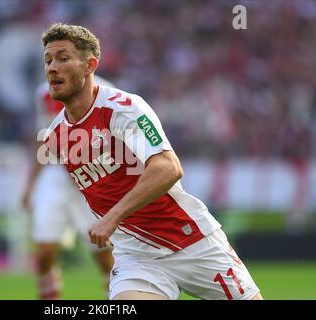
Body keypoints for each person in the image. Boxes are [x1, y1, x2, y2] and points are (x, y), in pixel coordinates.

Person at [40, 23, 263, 300]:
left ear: (90, 65)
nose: (52, 68)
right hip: (136, 258)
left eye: (63, 58)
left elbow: (168, 167)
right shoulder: (56, 135)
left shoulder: (122, 109)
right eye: (48, 60)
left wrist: (112, 217)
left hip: (190, 241)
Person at [22, 77, 114, 300]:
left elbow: (112, 141)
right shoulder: (44, 92)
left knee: (104, 256)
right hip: (55, 177)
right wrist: (30, 185)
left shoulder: (106, 91)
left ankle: (116, 299)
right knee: (44, 252)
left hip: (91, 178)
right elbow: (43, 139)